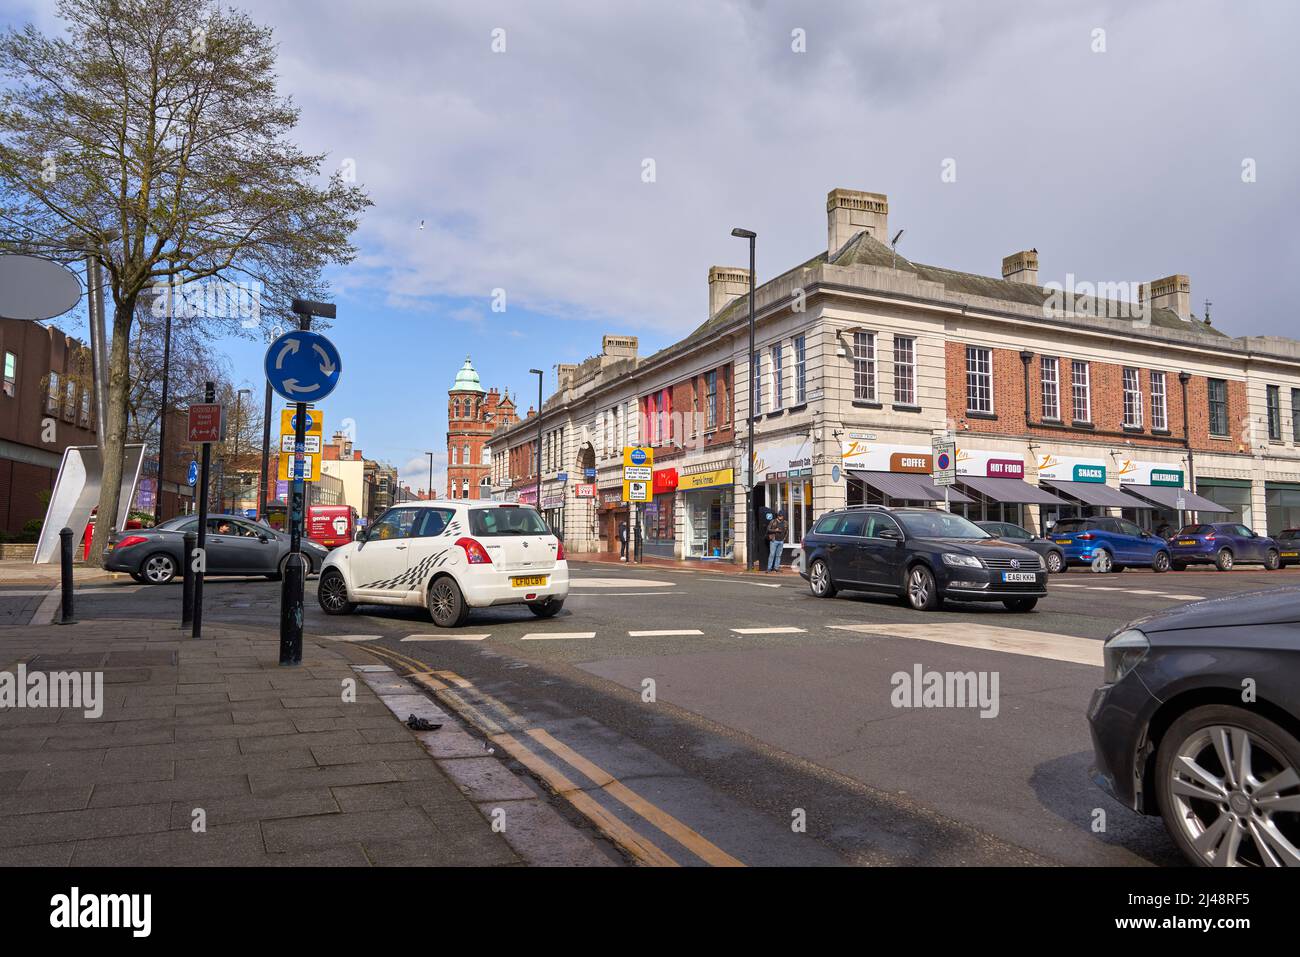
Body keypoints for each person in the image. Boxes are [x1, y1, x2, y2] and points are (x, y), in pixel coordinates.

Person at [766, 508, 788, 573]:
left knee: (778, 555)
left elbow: (787, 531)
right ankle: (769, 568)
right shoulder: (773, 521)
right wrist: (775, 530)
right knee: (772, 554)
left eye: (781, 515)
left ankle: (776, 567)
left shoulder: (785, 522)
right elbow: (768, 529)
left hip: (781, 541)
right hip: (774, 540)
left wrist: (784, 539)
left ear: (783, 516)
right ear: (777, 515)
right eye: (779, 515)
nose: (780, 516)